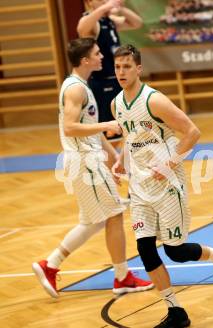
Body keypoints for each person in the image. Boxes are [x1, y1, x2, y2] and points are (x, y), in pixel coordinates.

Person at [111, 44, 213, 328]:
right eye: (117, 66)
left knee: (176, 251)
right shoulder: (117, 103)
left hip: (167, 183)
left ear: (138, 69)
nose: (121, 71)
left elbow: (192, 132)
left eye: (126, 66)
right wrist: (121, 160)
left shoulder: (154, 101)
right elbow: (129, 136)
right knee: (146, 249)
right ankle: (176, 311)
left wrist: (169, 163)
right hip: (139, 188)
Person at [32, 38, 153, 298]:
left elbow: (90, 129)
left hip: (90, 158)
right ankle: (122, 277)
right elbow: (71, 128)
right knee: (114, 215)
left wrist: (114, 160)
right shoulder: (75, 89)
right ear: (85, 59)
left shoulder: (80, 86)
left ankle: (50, 265)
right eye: (97, 53)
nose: (102, 56)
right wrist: (106, 125)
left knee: (93, 221)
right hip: (84, 160)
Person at [77, 0, 143, 142]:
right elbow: (81, 29)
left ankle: (117, 163)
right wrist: (107, 6)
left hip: (118, 82)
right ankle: (107, 163)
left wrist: (120, 7)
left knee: (123, 132)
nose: (106, 1)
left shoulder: (109, 20)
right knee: (110, 136)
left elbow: (137, 23)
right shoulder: (91, 21)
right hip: (102, 83)